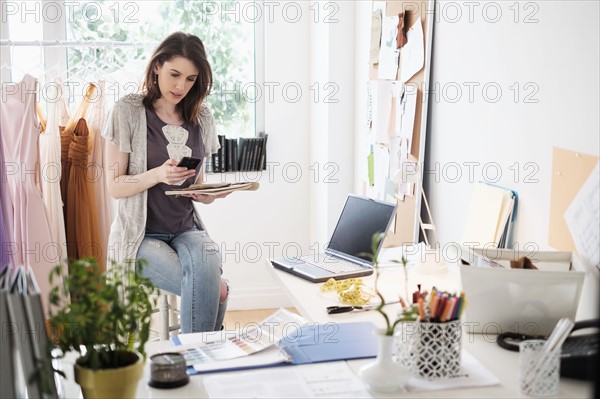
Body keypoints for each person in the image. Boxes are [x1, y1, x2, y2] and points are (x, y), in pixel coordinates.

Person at [102, 32, 229, 333]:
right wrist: (157, 174)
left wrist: (208, 194)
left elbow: (197, 184)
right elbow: (114, 186)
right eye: (174, 74)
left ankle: (197, 361)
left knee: (209, 261)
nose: (180, 86)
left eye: (190, 79)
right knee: (215, 289)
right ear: (157, 66)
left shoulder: (201, 117)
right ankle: (201, 361)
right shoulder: (128, 111)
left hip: (187, 229)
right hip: (141, 236)